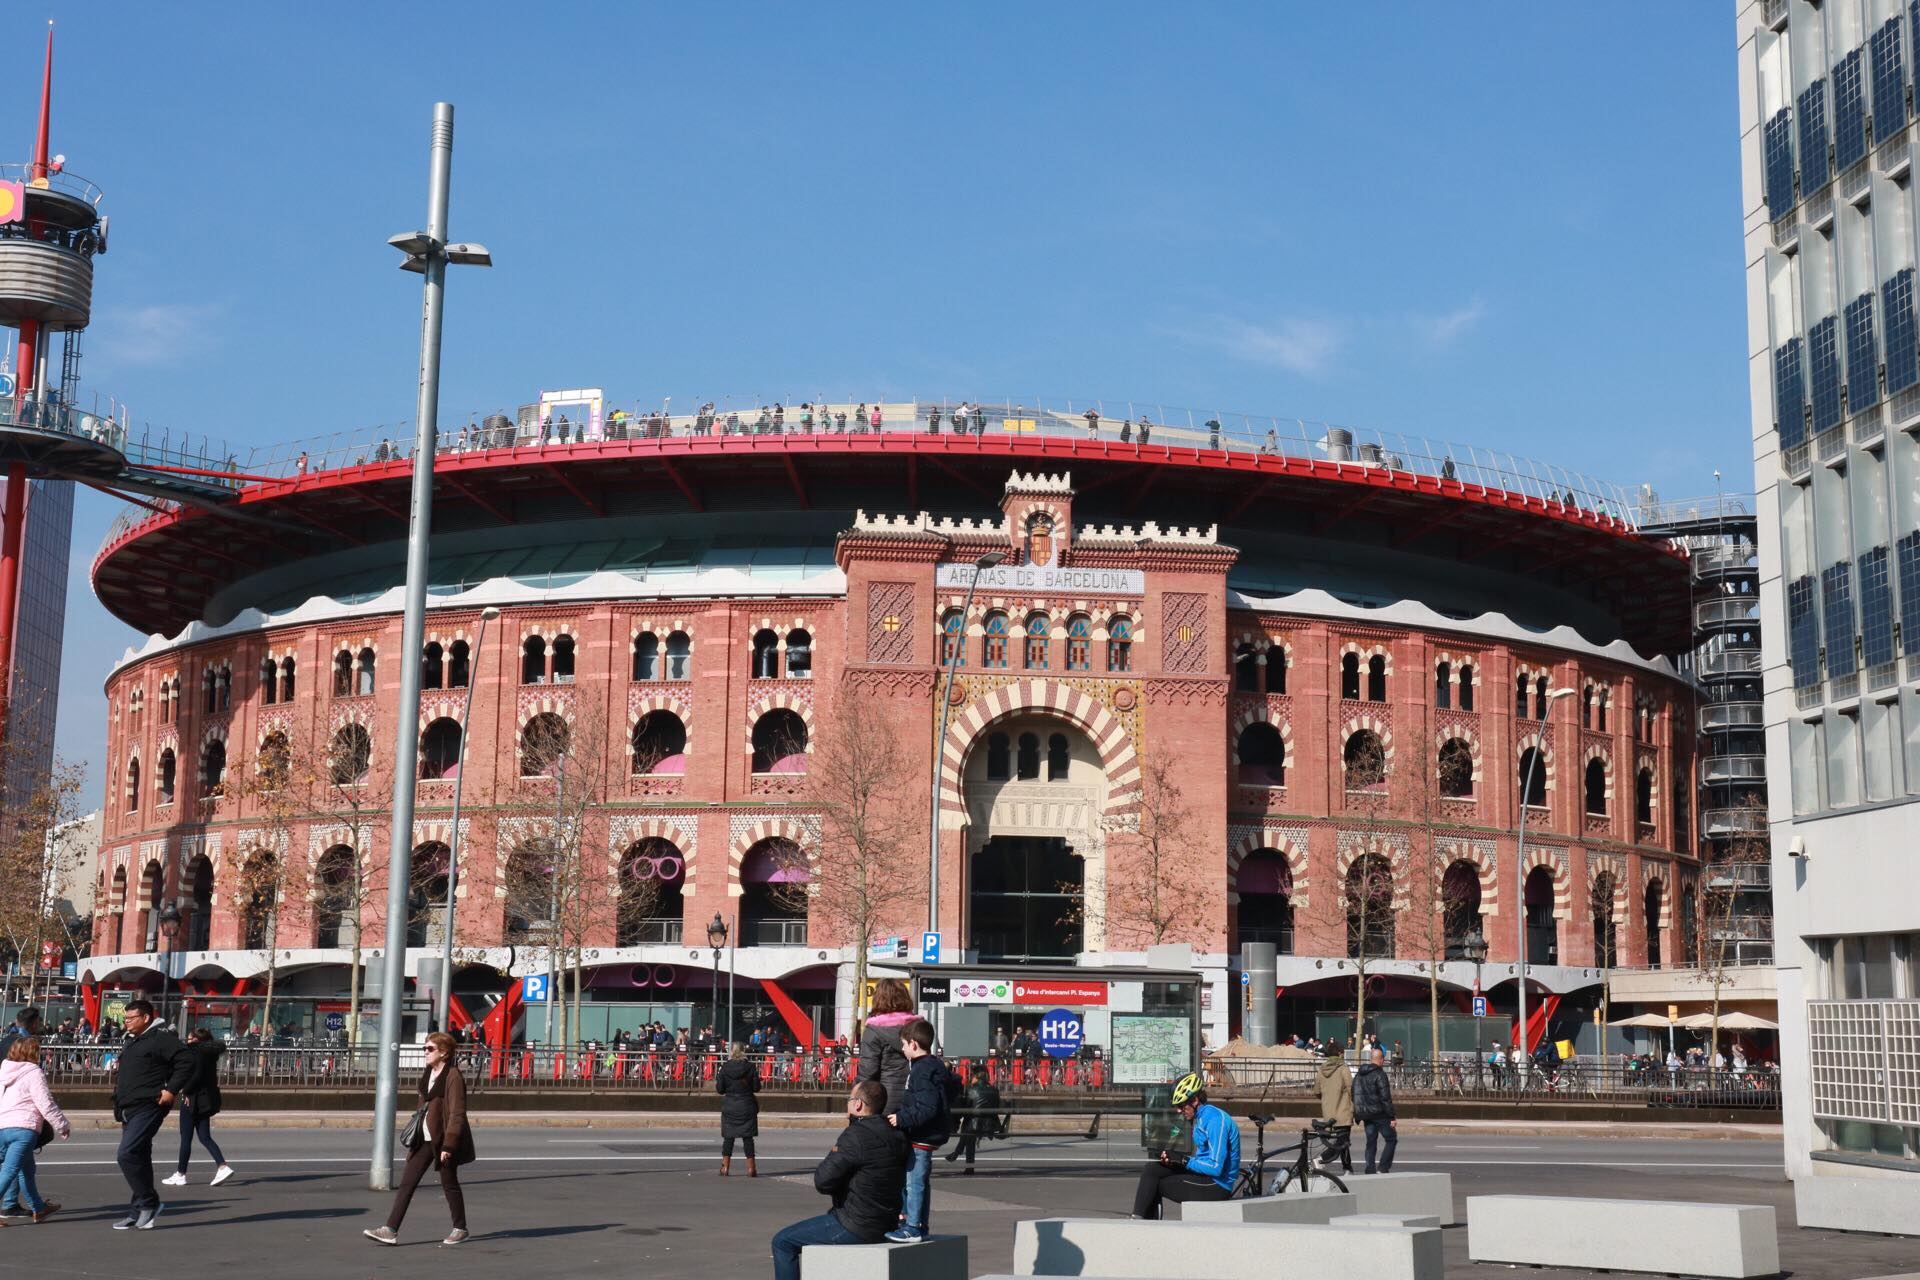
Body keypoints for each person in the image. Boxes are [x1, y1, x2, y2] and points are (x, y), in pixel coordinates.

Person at [769, 1080, 908, 1280]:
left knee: (782, 1242)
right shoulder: (896, 1133)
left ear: (858, 1104)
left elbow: (823, 1181)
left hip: (858, 1224)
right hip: (887, 1220)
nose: (848, 1103)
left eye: (850, 1099)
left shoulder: (855, 1135)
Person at [365, 1031, 473, 1246]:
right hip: (424, 1139)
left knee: (449, 1184)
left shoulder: (453, 1076)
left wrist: (449, 1145)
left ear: (443, 1053)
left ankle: (460, 1228)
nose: (425, 1051)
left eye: (430, 1048)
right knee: (407, 1183)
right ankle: (390, 1230)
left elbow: (456, 1114)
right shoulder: (428, 1073)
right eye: (424, 1047)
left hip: (443, 1140)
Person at [112, 999, 194, 1230]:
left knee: (126, 1154)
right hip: (128, 1108)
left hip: (149, 1105)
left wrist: (171, 1090)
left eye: (131, 1018)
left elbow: (186, 1061)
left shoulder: (160, 1038)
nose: (126, 1022)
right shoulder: (133, 1040)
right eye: (125, 1018)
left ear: (146, 1018)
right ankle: (138, 1210)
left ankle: (149, 1203)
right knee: (139, 1157)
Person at [1130, 1072, 1237, 1219]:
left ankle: (1148, 1229)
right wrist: (1174, 1158)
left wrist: (1183, 1160)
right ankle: (1137, 1220)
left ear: (1194, 1100)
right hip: (1203, 1175)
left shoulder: (1214, 1120)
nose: (1179, 1110)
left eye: (1181, 1105)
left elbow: (1215, 1167)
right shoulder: (1200, 1117)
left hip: (1217, 1185)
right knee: (1151, 1170)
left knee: (1159, 1185)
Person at [884, 1019, 951, 1242]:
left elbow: (926, 1106)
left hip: (921, 1135)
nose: (902, 1049)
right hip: (928, 1134)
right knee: (919, 1182)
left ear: (913, 1044)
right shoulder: (931, 1066)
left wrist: (902, 1118)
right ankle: (919, 1224)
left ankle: (912, 1226)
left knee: (914, 1183)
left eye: (903, 1044)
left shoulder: (921, 1070)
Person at [0, 1035, 70, 1223]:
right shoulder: (33, 1072)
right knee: (10, 1170)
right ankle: (36, 1208)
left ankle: (38, 1208)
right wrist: (62, 1125)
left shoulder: (4, 1071)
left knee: (26, 1170)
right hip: (24, 1127)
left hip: (4, 1127)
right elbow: (45, 1103)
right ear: (32, 1053)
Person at [163, 1029, 233, 1188]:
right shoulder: (209, 1053)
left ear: (195, 1040)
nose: (186, 1041)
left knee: (186, 1138)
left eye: (189, 1038)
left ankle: (181, 1174)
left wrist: (184, 1091)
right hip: (205, 1100)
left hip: (192, 1099)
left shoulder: (197, 1054)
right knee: (204, 1137)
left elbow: (195, 1075)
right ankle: (222, 1165)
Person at [857, 979, 916, 1114]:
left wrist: (856, 1098)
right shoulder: (918, 1026)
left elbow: (868, 1071)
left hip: (885, 1101)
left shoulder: (874, 1030)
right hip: (916, 1098)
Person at [944, 1062, 1001, 1174]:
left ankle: (967, 1164)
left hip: (973, 1125)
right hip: (991, 1124)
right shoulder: (994, 1089)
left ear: (977, 1077)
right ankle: (957, 1152)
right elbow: (997, 1106)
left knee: (968, 1128)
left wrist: (955, 1119)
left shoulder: (971, 1089)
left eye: (973, 1076)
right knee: (969, 1127)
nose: (971, 1078)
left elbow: (964, 1107)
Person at [716, 1043, 761, 1177]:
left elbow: (720, 1089)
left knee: (728, 1138)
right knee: (748, 1138)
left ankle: (725, 1168)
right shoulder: (750, 1067)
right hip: (746, 1104)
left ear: (731, 1052)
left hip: (730, 1105)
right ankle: (751, 1168)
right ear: (743, 1051)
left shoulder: (725, 1067)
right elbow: (756, 1087)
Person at [1353, 1048, 1398, 1174]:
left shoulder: (1359, 1074)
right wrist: (1392, 1117)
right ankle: (1383, 1167)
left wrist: (1358, 1112)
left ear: (1370, 1059)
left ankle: (1369, 1169)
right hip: (1379, 1113)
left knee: (1371, 1141)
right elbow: (1385, 1097)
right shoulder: (1380, 1074)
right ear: (1382, 1060)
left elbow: (1354, 1093)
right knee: (1391, 1139)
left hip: (1365, 1114)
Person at [1315, 1038, 1354, 1173]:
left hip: (1328, 1112)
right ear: (1339, 1053)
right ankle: (1321, 1159)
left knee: (1342, 1141)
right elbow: (1351, 1089)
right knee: (1342, 1142)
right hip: (1343, 1111)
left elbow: (1317, 1091)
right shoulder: (1343, 1068)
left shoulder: (1321, 1069)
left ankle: (1347, 1168)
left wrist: (1327, 1099)